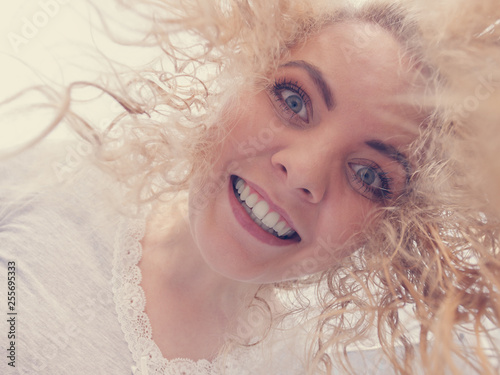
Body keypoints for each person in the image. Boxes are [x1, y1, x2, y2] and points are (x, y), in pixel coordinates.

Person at [1, 0, 499, 374]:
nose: (303, 173)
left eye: (368, 175)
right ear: (242, 73)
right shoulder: (39, 191)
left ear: (392, 227)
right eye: (293, 99)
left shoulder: (326, 363)